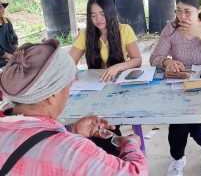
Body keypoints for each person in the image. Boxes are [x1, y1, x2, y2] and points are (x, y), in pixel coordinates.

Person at [0, 39, 148, 176]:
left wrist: (70, 130)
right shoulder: (72, 151)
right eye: (68, 87)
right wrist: (131, 144)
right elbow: (135, 173)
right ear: (52, 95)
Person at [150, 0, 201, 176]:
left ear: (199, 9)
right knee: (177, 127)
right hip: (180, 87)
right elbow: (155, 57)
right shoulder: (171, 28)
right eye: (178, 10)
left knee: (200, 129)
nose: (182, 16)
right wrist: (168, 61)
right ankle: (177, 160)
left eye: (188, 11)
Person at [69, 0, 142, 155]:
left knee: (110, 128)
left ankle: (116, 153)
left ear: (111, 12)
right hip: (94, 91)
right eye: (93, 15)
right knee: (92, 129)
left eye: (102, 14)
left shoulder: (125, 30)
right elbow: (68, 62)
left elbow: (137, 60)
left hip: (118, 90)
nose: (98, 19)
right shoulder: (86, 34)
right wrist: (70, 69)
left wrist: (117, 67)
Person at [0, 0, 18, 68]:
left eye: (1, 7)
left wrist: (17, 50)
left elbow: (13, 37)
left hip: (10, 53)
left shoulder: (7, 21)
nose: (1, 10)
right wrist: (5, 55)